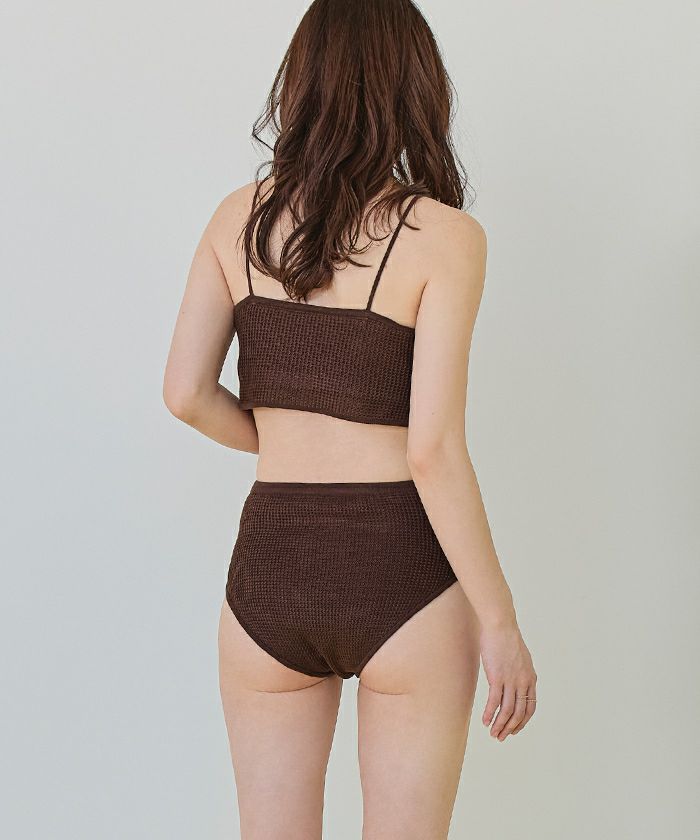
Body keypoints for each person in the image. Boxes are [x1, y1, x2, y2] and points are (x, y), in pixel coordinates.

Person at [163, 1, 537, 837]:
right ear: (415, 88)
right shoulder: (446, 238)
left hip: (270, 569)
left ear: (301, 83)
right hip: (401, 570)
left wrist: (282, 440)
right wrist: (500, 622)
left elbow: (184, 392)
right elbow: (433, 450)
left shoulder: (236, 219)